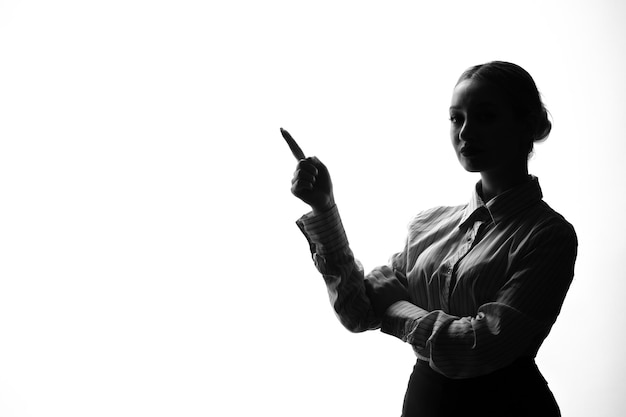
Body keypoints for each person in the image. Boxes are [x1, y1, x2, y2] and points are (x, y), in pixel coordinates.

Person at [290, 61, 578, 416]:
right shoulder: (428, 226)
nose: (466, 132)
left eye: (485, 116)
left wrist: (396, 309)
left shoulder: (548, 236)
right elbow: (358, 311)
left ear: (529, 125)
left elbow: (477, 347)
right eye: (456, 118)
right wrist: (324, 209)